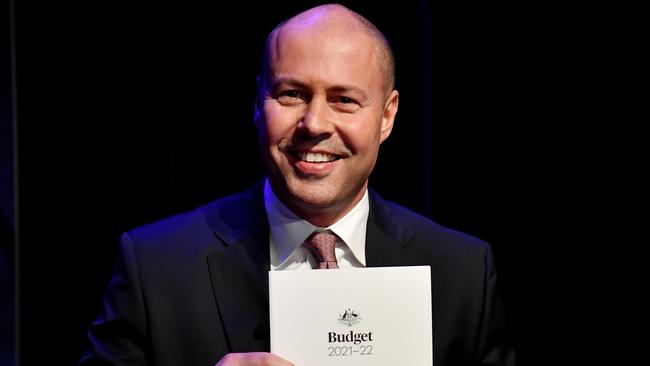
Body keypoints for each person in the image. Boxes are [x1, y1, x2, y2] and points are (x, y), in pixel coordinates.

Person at [79, 3, 515, 366]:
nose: (315, 124)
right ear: (257, 102)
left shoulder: (463, 274)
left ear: (386, 116)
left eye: (344, 100)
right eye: (292, 94)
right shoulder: (155, 268)